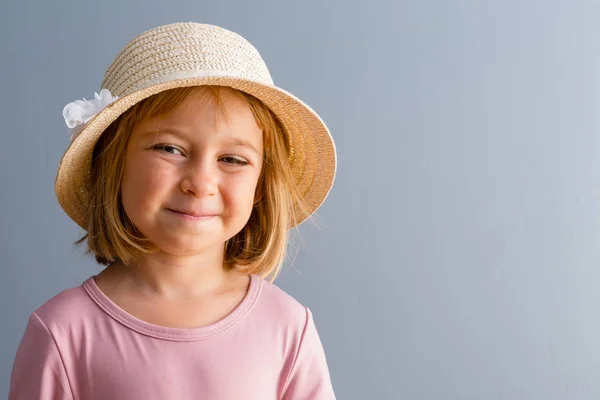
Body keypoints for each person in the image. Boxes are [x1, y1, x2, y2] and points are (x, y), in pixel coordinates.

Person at [9, 22, 337, 399]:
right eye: (169, 149)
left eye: (232, 159)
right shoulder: (63, 333)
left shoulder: (288, 328)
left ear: (261, 187)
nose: (200, 183)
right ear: (113, 163)